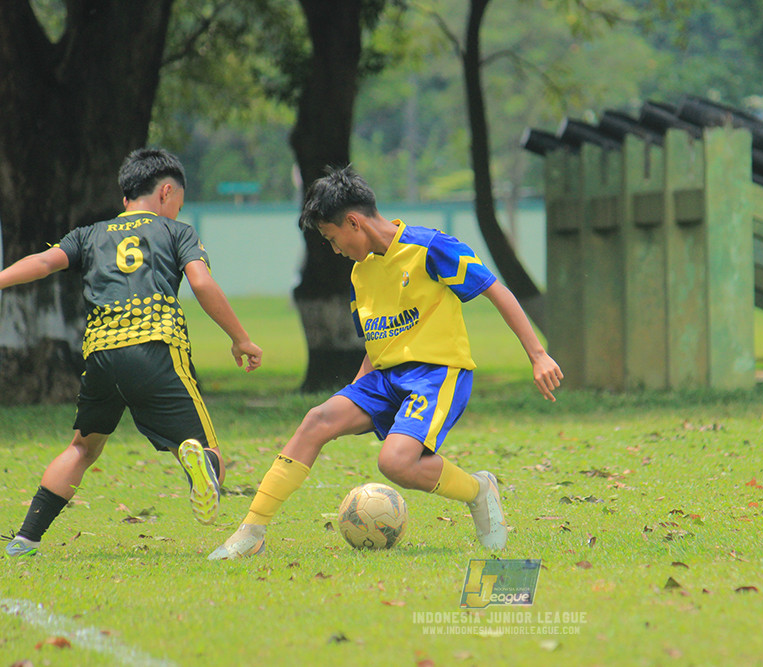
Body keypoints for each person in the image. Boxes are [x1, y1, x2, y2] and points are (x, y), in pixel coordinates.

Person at [208, 166, 562, 559]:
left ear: (354, 222)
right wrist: (354, 393)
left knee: (394, 463)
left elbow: (496, 290)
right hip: (382, 377)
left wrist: (538, 354)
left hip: (436, 374)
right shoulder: (361, 273)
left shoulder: (430, 247)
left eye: (331, 238)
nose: (334, 249)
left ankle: (479, 490)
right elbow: (377, 340)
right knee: (316, 420)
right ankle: (251, 532)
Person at [2, 148, 263, 558]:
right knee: (209, 453)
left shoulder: (89, 234)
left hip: (102, 356)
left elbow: (42, 262)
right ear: (165, 192)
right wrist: (240, 338)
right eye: (178, 200)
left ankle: (26, 538)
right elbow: (202, 283)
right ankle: (195, 459)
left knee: (82, 448)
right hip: (155, 349)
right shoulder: (178, 232)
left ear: (126, 199)